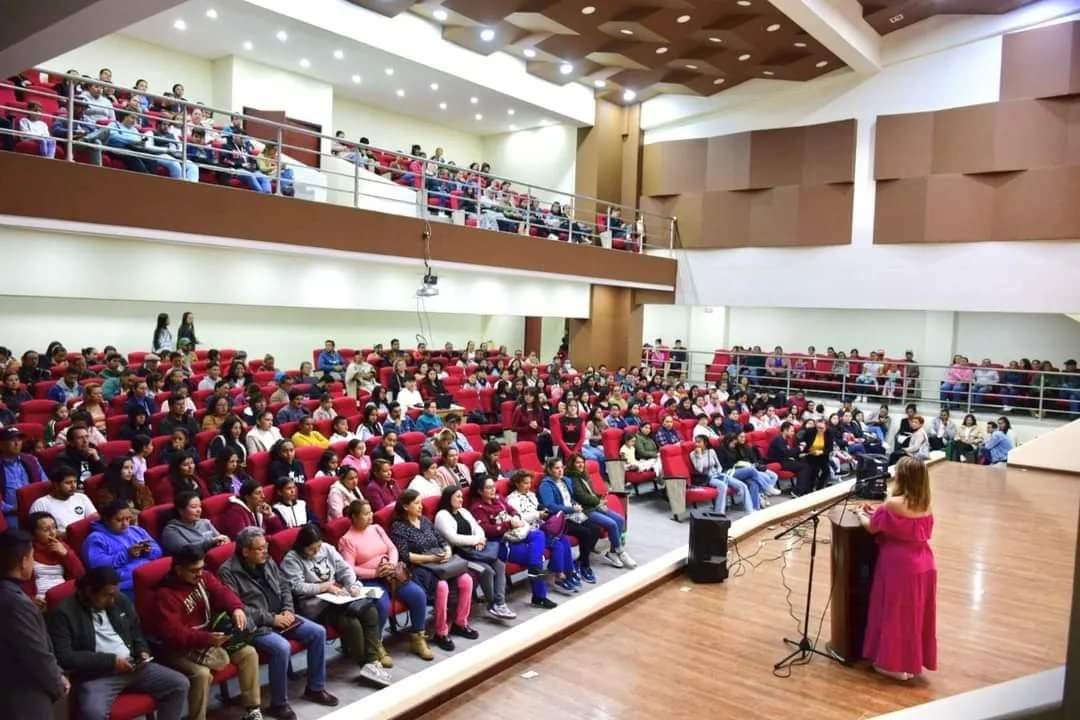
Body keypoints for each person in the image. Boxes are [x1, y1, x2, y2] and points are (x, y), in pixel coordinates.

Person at [219, 527, 339, 717]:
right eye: (259, 548)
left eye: (265, 546)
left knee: (318, 632)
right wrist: (272, 619)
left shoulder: (266, 560)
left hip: (282, 615)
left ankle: (315, 688)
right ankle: (278, 704)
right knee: (281, 647)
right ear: (245, 551)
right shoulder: (227, 572)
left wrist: (288, 610)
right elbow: (238, 608)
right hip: (256, 625)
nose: (265, 551)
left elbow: (284, 586)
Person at [46, 565, 190, 720]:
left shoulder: (118, 599)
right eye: (107, 595)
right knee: (92, 713)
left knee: (179, 684)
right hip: (98, 676)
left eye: (114, 594)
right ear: (89, 591)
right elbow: (65, 657)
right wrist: (111, 661)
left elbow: (136, 631)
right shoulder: (63, 613)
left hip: (133, 667)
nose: (112, 600)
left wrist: (142, 651)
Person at [151, 545, 264, 720]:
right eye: (193, 570)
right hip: (177, 648)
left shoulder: (204, 577)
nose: (199, 573)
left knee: (248, 653)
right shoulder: (165, 594)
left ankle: (252, 710)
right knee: (202, 674)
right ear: (179, 570)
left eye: (201, 568)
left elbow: (222, 592)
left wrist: (236, 609)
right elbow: (173, 634)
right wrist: (206, 639)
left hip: (209, 638)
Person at [856, 457, 937, 681]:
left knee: (894, 613)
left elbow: (873, 528)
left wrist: (862, 514)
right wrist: (877, 512)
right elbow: (903, 525)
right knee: (914, 614)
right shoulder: (925, 503)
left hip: (898, 564)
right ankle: (910, 663)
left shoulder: (893, 503)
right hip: (924, 563)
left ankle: (892, 664)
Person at [281, 525, 391, 686]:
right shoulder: (291, 559)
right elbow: (296, 587)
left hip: (338, 597)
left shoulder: (326, 548)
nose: (317, 551)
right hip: (317, 605)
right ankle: (364, 664)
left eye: (318, 546)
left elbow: (344, 568)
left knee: (370, 611)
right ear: (302, 546)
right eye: (312, 549)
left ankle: (372, 661)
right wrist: (324, 587)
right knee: (350, 623)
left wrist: (353, 584)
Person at [337, 499, 432, 660]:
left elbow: (392, 548)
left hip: (392, 574)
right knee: (382, 605)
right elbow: (350, 568)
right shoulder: (347, 540)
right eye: (366, 514)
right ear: (354, 517)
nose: (370, 516)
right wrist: (375, 573)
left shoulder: (376, 528)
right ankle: (377, 644)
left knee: (418, 594)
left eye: (371, 512)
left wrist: (392, 564)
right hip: (369, 580)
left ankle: (418, 637)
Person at [390, 489, 477, 652]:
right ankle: (441, 631)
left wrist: (448, 552)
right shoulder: (398, 527)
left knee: (466, 580)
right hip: (420, 567)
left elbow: (442, 540)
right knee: (442, 586)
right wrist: (431, 559)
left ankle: (460, 622)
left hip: (441, 562)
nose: (420, 506)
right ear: (405, 506)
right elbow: (405, 555)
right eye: (416, 503)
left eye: (420, 502)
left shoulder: (425, 521)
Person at [0, 529, 70, 719]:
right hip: (23, 695)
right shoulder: (16, 603)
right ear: (23, 561)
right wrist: (57, 682)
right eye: (31, 558)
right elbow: (36, 653)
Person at [435, 485, 517, 619]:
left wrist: (481, 540)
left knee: (500, 565)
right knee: (487, 571)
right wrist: (476, 540)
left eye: (462, 496)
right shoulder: (442, 515)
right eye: (457, 496)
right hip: (460, 556)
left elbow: (478, 528)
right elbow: (453, 539)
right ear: (448, 498)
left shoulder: (464, 511)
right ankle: (493, 604)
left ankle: (500, 603)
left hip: (476, 550)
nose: (461, 499)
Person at [564, 454, 635, 567]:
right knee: (611, 524)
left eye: (582, 462)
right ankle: (620, 551)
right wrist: (598, 500)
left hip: (595, 505)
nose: (581, 464)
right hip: (586, 510)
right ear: (572, 464)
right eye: (577, 462)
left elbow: (590, 493)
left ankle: (612, 552)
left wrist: (600, 496)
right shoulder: (572, 478)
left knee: (620, 520)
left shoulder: (584, 476)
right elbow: (581, 497)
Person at [83, 501, 162, 599]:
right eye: (119, 520)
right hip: (127, 585)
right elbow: (98, 567)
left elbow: (158, 550)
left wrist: (148, 551)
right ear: (106, 520)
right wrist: (127, 555)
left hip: (152, 576)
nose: (125, 524)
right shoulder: (96, 538)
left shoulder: (136, 530)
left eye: (128, 519)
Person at [23, 511, 86, 606]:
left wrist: (66, 555)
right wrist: (30, 599)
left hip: (65, 596)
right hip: (41, 600)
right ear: (33, 534)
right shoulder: (27, 551)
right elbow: (21, 583)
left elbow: (81, 575)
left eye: (54, 527)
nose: (52, 533)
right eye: (46, 530)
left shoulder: (62, 546)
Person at [29, 465, 97, 536]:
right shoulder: (41, 504)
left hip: (85, 537)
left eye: (75, 482)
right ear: (56, 485)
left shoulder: (81, 497)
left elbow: (94, 519)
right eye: (68, 483)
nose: (73, 486)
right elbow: (40, 533)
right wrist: (70, 535)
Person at [1, 426, 48, 528]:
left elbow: (45, 485)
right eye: (12, 440)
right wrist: (12, 509)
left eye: (19, 440)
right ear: (1, 444)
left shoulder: (31, 460)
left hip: (36, 510)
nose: (17, 443)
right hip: (10, 514)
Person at [161, 492, 230, 556]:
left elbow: (220, 539)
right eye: (194, 507)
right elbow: (185, 551)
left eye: (200, 506)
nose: (199, 510)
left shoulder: (205, 522)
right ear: (181, 510)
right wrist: (212, 542)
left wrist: (224, 541)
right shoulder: (171, 530)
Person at [220, 481, 284, 540]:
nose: (263, 496)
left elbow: (279, 532)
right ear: (247, 497)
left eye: (262, 493)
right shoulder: (235, 513)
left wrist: (270, 515)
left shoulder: (259, 509)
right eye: (258, 493)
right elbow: (243, 540)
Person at [796, 419, 834, 495]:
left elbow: (830, 448)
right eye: (818, 427)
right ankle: (810, 490)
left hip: (822, 455)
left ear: (826, 427)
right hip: (810, 455)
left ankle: (819, 488)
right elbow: (803, 442)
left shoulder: (829, 433)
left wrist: (821, 452)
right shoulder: (810, 431)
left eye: (821, 428)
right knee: (813, 470)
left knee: (826, 471)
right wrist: (803, 446)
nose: (819, 430)